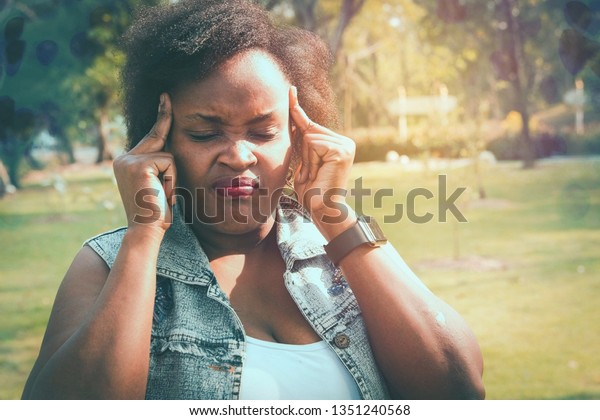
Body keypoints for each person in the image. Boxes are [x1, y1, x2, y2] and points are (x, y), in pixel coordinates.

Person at [22, 0, 484, 400]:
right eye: (206, 132)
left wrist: (335, 216)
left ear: (300, 136)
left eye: (263, 132)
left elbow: (458, 389)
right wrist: (144, 235)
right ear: (157, 141)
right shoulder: (105, 264)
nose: (239, 156)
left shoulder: (339, 249)